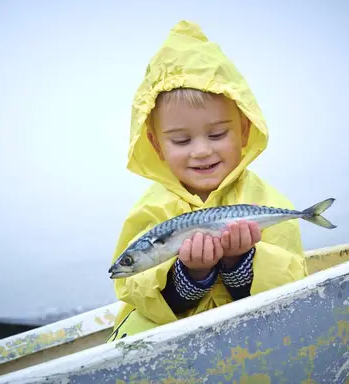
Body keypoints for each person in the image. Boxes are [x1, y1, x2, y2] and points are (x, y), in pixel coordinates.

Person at [106, 20, 308, 342]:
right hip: (172, 344)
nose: (201, 151)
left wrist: (239, 262)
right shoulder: (150, 211)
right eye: (181, 141)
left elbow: (291, 285)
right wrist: (190, 275)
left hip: (252, 339)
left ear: (243, 130)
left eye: (217, 134)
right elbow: (135, 291)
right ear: (157, 144)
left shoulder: (268, 201)